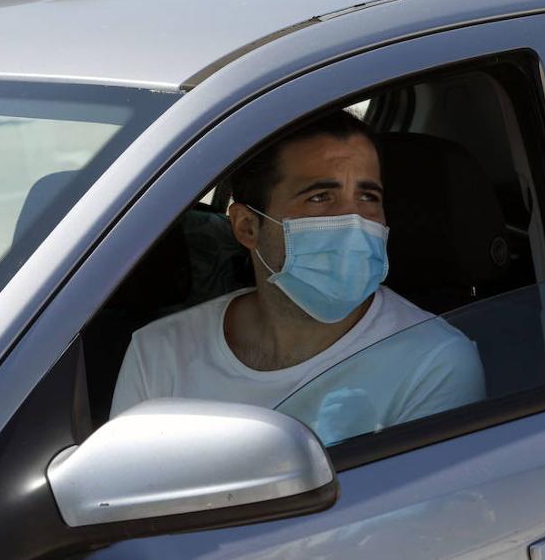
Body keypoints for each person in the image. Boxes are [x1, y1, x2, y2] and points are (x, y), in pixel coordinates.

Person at [111, 110, 485, 444]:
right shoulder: (159, 353)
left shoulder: (433, 362)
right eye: (321, 198)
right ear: (247, 227)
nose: (353, 220)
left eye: (368, 197)